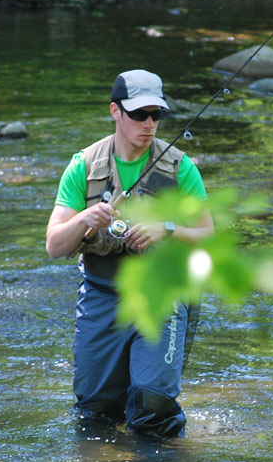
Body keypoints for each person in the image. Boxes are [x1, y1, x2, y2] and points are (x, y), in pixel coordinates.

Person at [45, 69, 214, 437]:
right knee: (96, 413)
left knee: (153, 407)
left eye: (156, 114)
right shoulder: (83, 166)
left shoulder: (180, 168)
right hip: (101, 296)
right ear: (115, 111)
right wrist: (84, 218)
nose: (149, 124)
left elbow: (207, 236)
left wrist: (167, 229)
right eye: (139, 114)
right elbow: (54, 246)